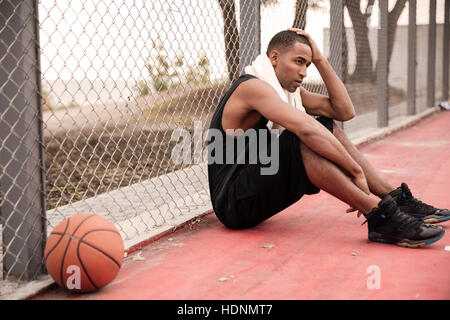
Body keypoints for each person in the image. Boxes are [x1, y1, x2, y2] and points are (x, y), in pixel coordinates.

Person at [207, 29, 448, 248]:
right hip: (233, 202)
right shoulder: (253, 88)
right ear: (274, 58)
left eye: (308, 65)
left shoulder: (289, 93)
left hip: (254, 186)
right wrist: (355, 172)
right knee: (300, 137)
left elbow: (344, 111)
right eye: (299, 62)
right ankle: (379, 216)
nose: (303, 72)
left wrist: (321, 60)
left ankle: (392, 197)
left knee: (322, 123)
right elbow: (306, 130)